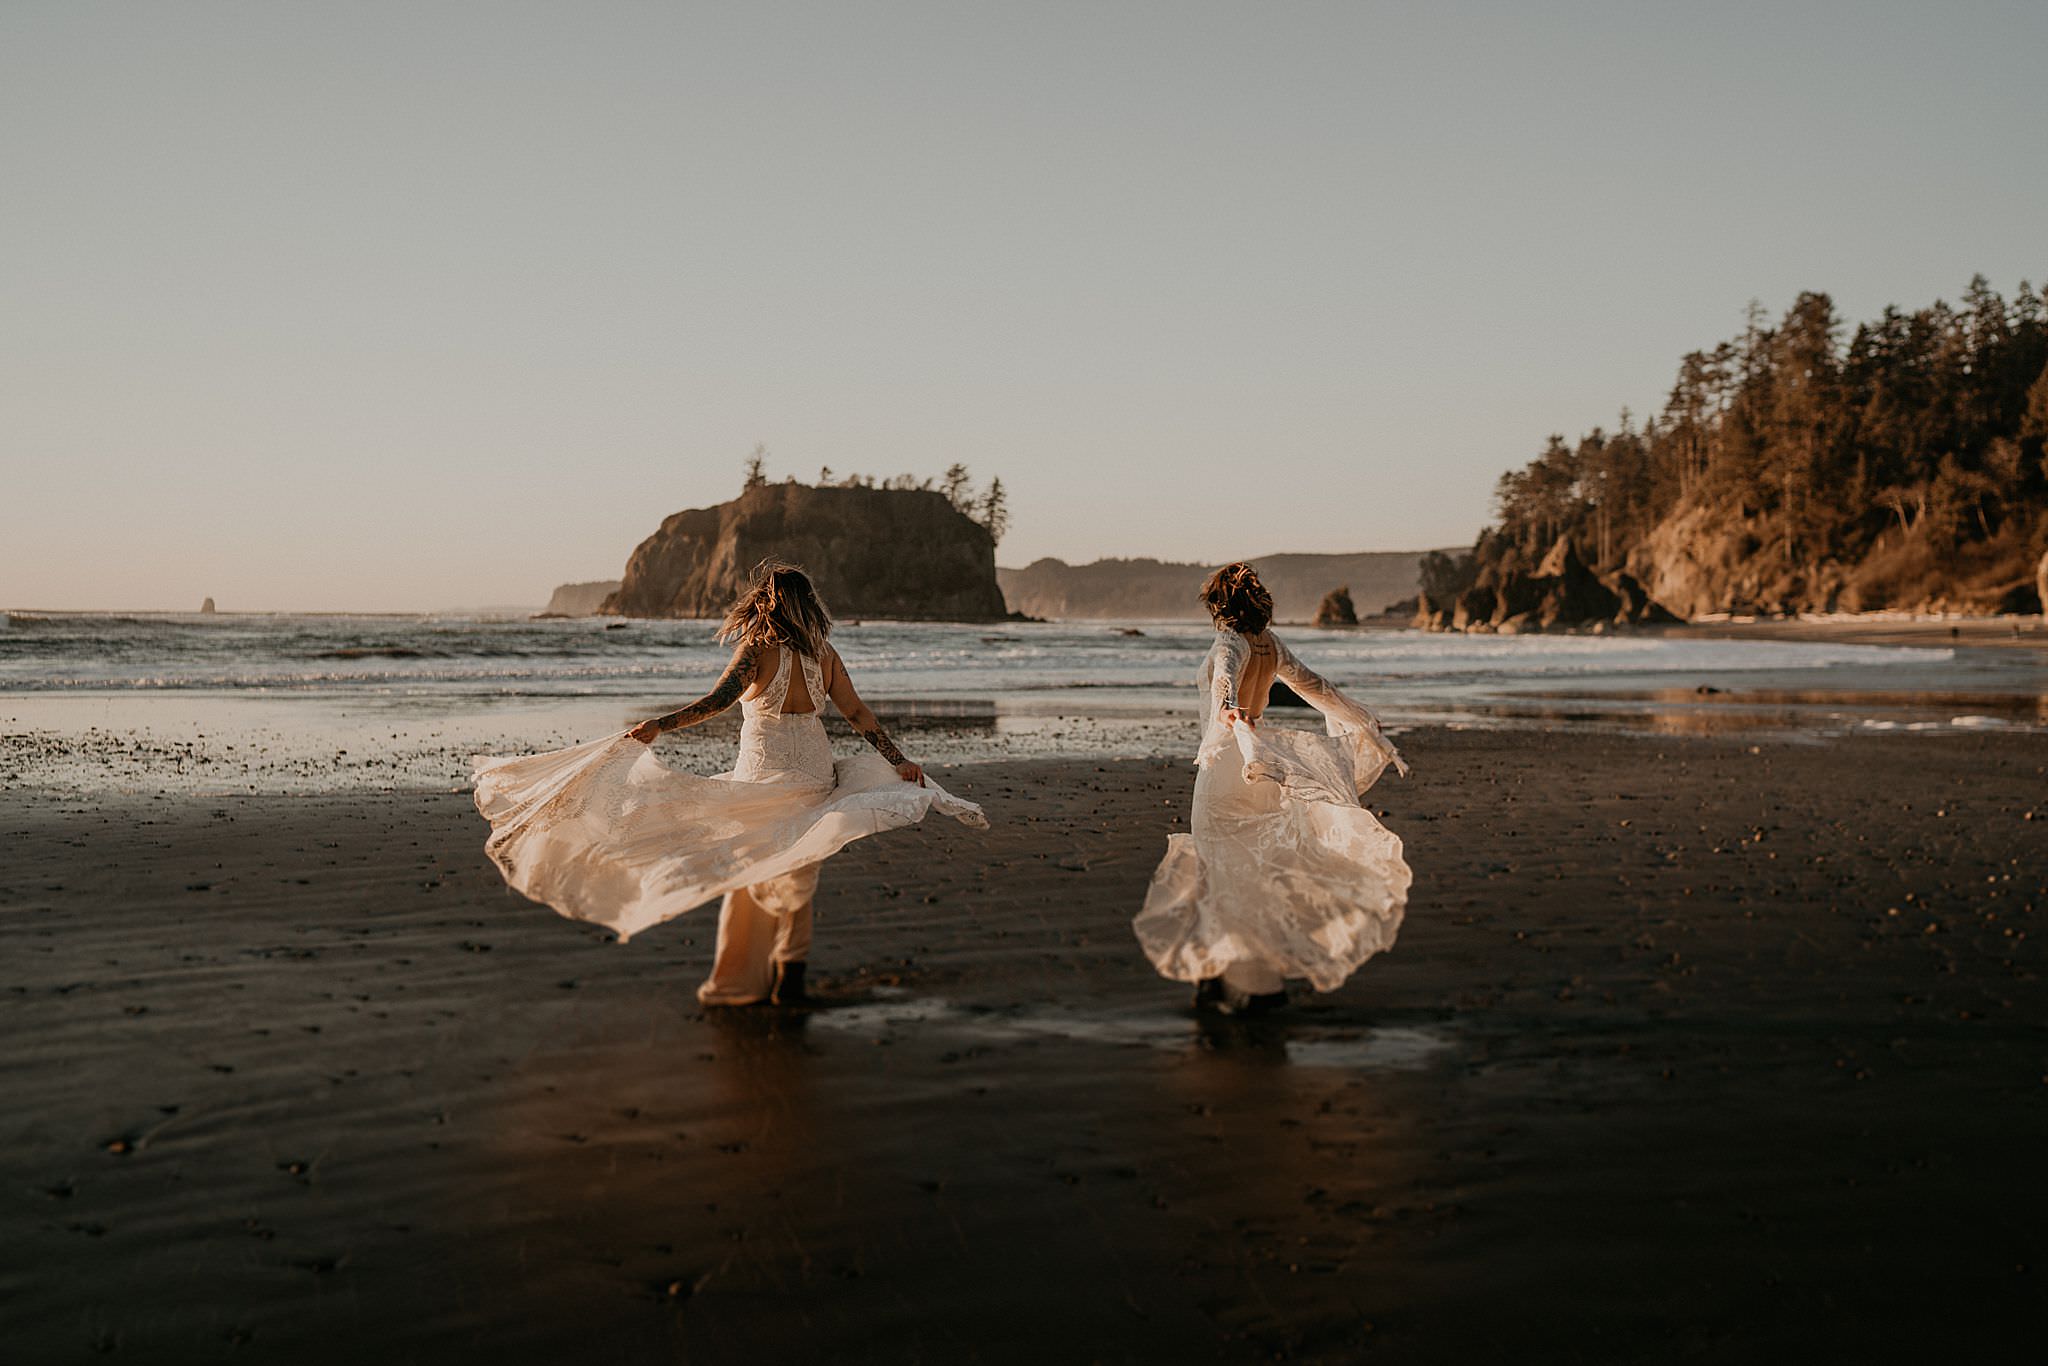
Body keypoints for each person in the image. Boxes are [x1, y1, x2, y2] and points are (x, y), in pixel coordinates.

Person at [473, 560, 986, 1006]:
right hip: (813, 777)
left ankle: (739, 980)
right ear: (807, 605)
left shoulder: (756, 652)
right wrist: (898, 760)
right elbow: (856, 713)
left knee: (749, 870)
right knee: (799, 865)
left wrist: (660, 725)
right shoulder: (825, 655)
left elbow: (716, 702)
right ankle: (790, 976)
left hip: (760, 778)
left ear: (769, 605)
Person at [1132, 562, 1411, 1015]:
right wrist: (1362, 719)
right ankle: (1225, 981)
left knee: (1218, 869)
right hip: (1257, 764)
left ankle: (1240, 985)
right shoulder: (1270, 644)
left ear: (1220, 605)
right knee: (1251, 871)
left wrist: (1229, 712)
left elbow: (1224, 685)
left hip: (1226, 767)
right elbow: (1316, 687)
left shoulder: (1230, 642)